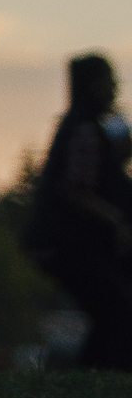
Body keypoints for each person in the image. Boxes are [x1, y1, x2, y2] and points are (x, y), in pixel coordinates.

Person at [26, 54, 132, 372]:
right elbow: (76, 189)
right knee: (117, 314)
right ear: (96, 84)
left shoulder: (85, 127)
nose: (115, 87)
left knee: (113, 314)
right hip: (71, 246)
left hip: (71, 246)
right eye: (110, 80)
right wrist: (116, 221)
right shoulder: (85, 129)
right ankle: (97, 377)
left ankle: (90, 377)